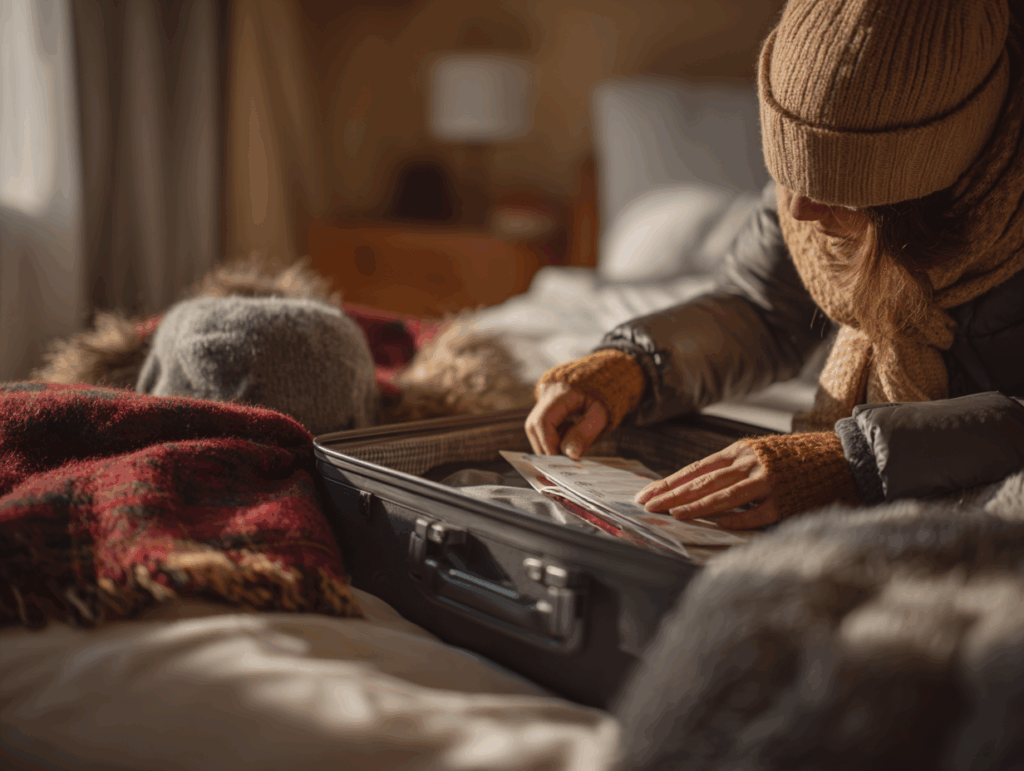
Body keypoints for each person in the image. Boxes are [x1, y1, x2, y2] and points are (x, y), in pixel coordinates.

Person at [526, 0, 1024, 530]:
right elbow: (762, 307)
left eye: (837, 188)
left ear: (930, 174)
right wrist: (635, 366)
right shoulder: (805, 199)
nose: (799, 209)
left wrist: (858, 460)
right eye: (788, 174)